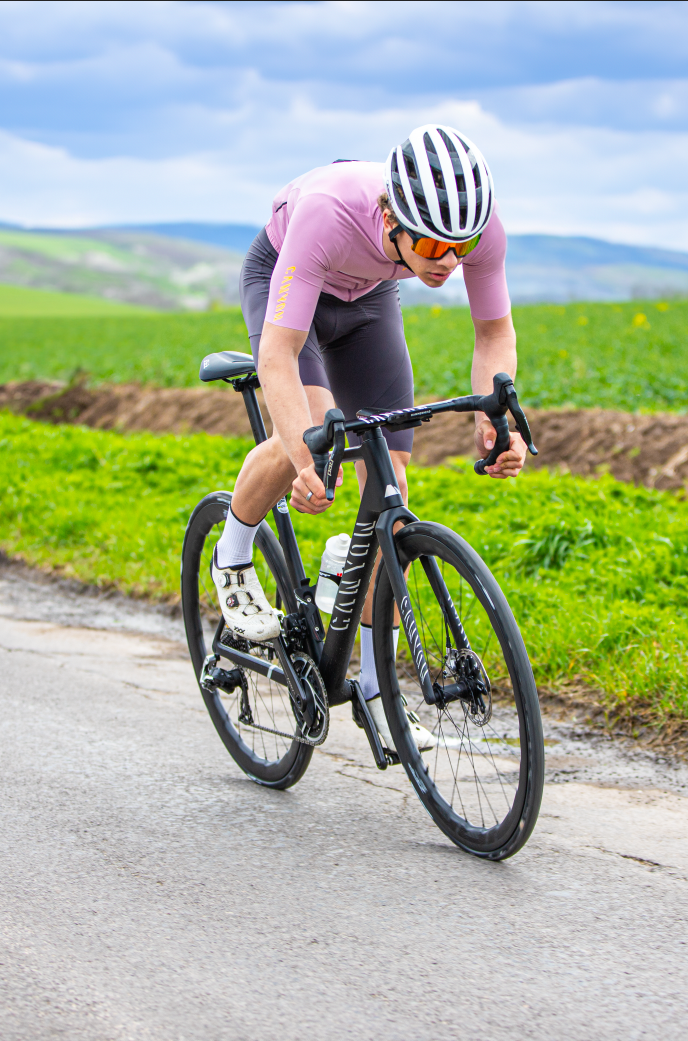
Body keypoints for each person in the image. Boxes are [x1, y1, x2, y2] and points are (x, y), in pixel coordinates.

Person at [210, 124, 529, 747]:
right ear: (392, 217)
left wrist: (496, 419)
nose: (449, 263)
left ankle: (378, 691)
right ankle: (234, 553)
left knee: (391, 490)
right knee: (305, 439)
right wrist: (303, 455)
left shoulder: (475, 228)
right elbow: (280, 353)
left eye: (461, 248)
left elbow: (493, 333)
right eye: (434, 248)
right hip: (288, 277)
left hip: (368, 299)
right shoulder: (329, 215)